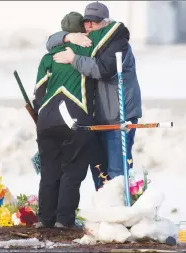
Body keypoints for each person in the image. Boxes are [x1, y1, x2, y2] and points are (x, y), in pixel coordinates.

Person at [32, 11, 128, 229]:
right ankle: (64, 221)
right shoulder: (88, 48)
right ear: (82, 29)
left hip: (46, 120)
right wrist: (111, 24)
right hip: (76, 117)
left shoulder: (47, 58)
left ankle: (44, 219)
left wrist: (43, 116)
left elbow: (38, 93)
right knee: (72, 172)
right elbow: (115, 31)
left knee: (49, 172)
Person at [46, 2, 142, 181]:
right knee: (100, 173)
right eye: (87, 21)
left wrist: (73, 59)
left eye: (95, 22)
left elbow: (103, 70)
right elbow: (51, 42)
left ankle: (123, 208)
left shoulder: (117, 42)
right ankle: (104, 207)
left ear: (105, 22)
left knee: (118, 173)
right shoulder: (89, 42)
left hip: (119, 117)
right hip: (97, 118)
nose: (89, 25)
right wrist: (69, 37)